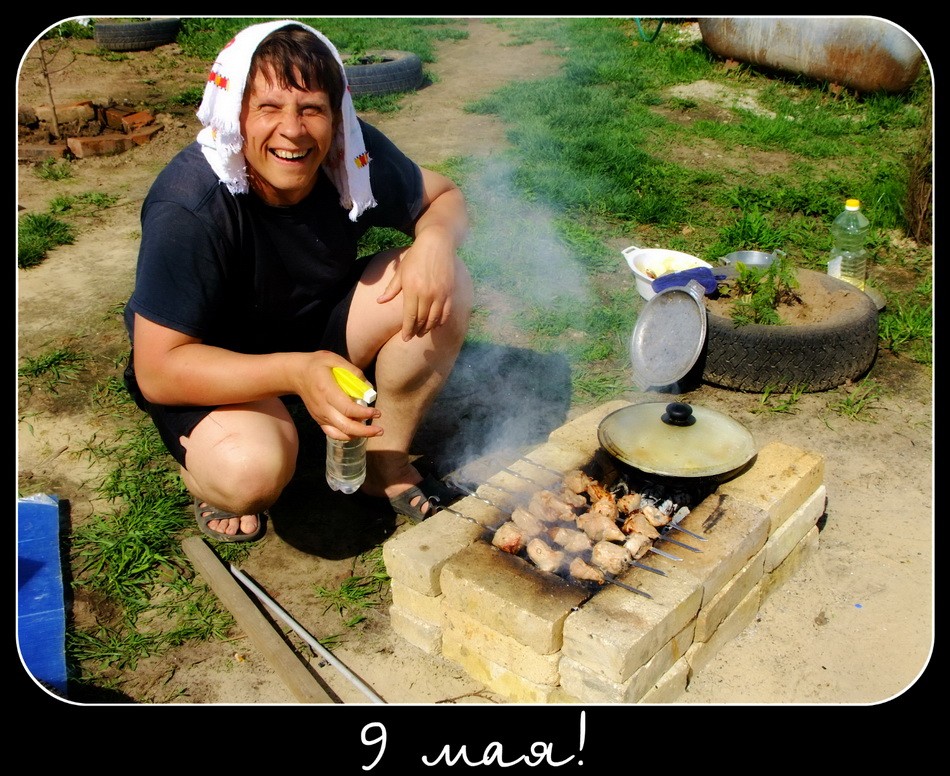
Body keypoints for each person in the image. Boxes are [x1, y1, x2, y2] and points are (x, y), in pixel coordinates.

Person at [122, 19, 473, 542]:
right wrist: (295, 371)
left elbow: (443, 197)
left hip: (312, 326)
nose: (293, 130)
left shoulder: (349, 155)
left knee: (449, 282)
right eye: (269, 108)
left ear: (335, 115)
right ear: (236, 114)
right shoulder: (190, 204)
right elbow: (158, 369)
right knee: (249, 472)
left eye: (311, 108)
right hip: (214, 361)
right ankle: (208, 468)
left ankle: (385, 459)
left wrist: (436, 242)